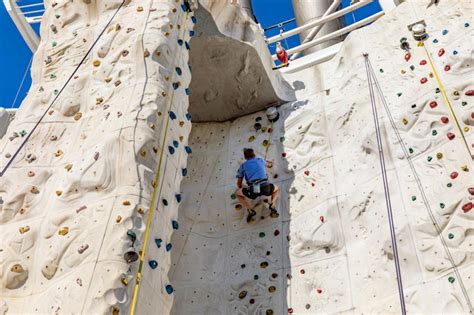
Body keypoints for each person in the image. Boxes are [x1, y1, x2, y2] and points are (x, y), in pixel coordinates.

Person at [236, 148, 280, 222]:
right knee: (277, 189)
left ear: (245, 157)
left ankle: (250, 209)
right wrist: (269, 163)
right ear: (254, 155)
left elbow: (239, 183)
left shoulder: (243, 166)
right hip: (266, 187)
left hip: (253, 189)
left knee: (238, 194)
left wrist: (242, 187)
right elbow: (269, 165)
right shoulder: (260, 160)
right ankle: (272, 205)